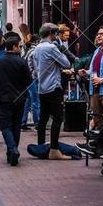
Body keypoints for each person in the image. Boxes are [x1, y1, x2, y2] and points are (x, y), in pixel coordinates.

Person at [0, 36, 33, 166]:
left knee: (5, 126)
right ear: (13, 47)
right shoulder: (22, 62)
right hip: (20, 99)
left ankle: (12, 149)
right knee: (16, 125)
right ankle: (13, 150)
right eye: (19, 46)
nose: (20, 47)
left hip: (4, 99)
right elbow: (29, 82)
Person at [33, 23, 71, 159]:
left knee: (43, 118)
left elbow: (35, 68)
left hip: (42, 87)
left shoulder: (37, 48)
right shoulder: (51, 48)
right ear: (51, 34)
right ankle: (54, 149)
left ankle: (41, 147)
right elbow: (66, 63)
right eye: (55, 34)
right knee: (58, 117)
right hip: (53, 87)